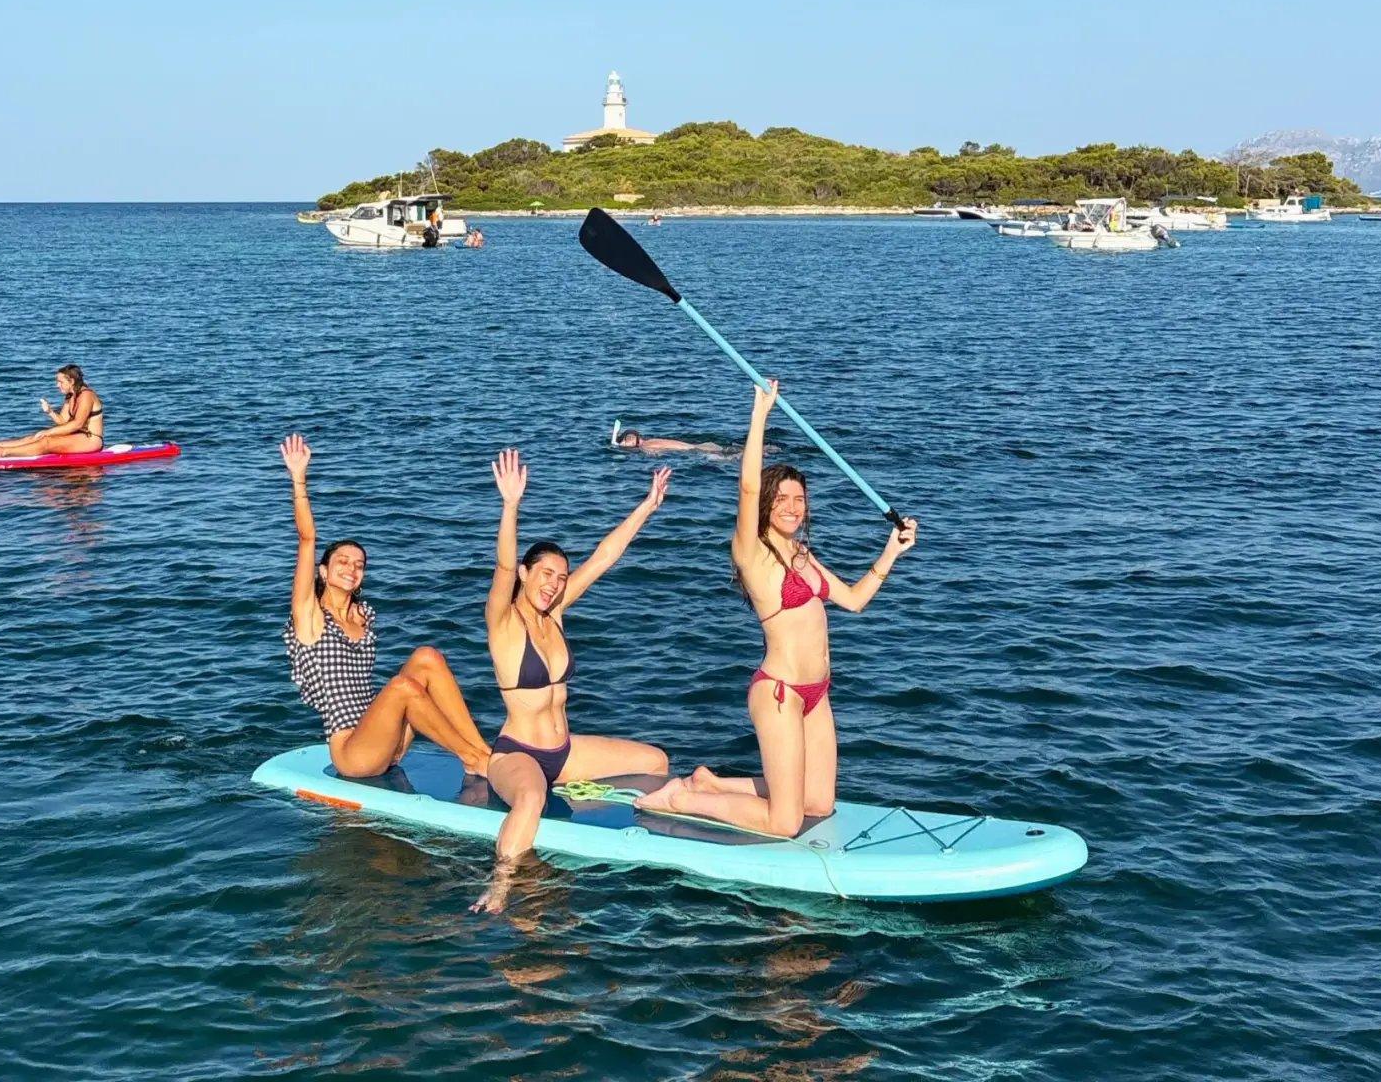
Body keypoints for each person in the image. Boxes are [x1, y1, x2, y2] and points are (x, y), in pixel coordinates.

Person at [634, 380, 916, 836]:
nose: (791, 507)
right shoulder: (753, 552)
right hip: (781, 693)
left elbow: (855, 600)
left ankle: (710, 782)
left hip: (817, 694)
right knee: (784, 823)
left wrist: (891, 551)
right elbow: (746, 487)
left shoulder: (803, 557)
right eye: (781, 498)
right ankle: (682, 797)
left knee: (819, 804)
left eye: (798, 499)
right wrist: (760, 413)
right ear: (766, 505)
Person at [474, 448, 672, 912]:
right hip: (516, 753)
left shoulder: (556, 613)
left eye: (560, 577)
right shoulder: (503, 621)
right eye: (545, 574)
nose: (554, 584)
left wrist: (646, 505)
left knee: (656, 762)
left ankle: (597, 813)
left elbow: (604, 557)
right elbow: (503, 567)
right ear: (525, 574)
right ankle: (499, 884)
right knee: (529, 801)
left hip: (564, 752)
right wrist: (510, 506)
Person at [279, 434, 492, 780]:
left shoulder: (364, 615)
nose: (351, 568)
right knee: (401, 687)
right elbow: (307, 539)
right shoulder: (310, 617)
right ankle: (470, 757)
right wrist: (299, 478)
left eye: (359, 564)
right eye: (343, 562)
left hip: (386, 742)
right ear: (323, 571)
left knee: (427, 656)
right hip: (353, 753)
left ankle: (481, 750)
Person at [0, 364, 106, 458]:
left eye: (60, 382)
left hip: (91, 440)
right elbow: (63, 421)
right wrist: (49, 412)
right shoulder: (71, 396)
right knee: (31, 437)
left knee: (45, 441)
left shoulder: (86, 395)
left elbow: (76, 424)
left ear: (71, 381)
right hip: (77, 436)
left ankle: (2, 452)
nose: (57, 385)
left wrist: (48, 432)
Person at [612, 421, 734, 457]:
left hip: (700, 451)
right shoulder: (651, 440)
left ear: (631, 441)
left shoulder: (646, 446)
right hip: (704, 445)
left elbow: (657, 455)